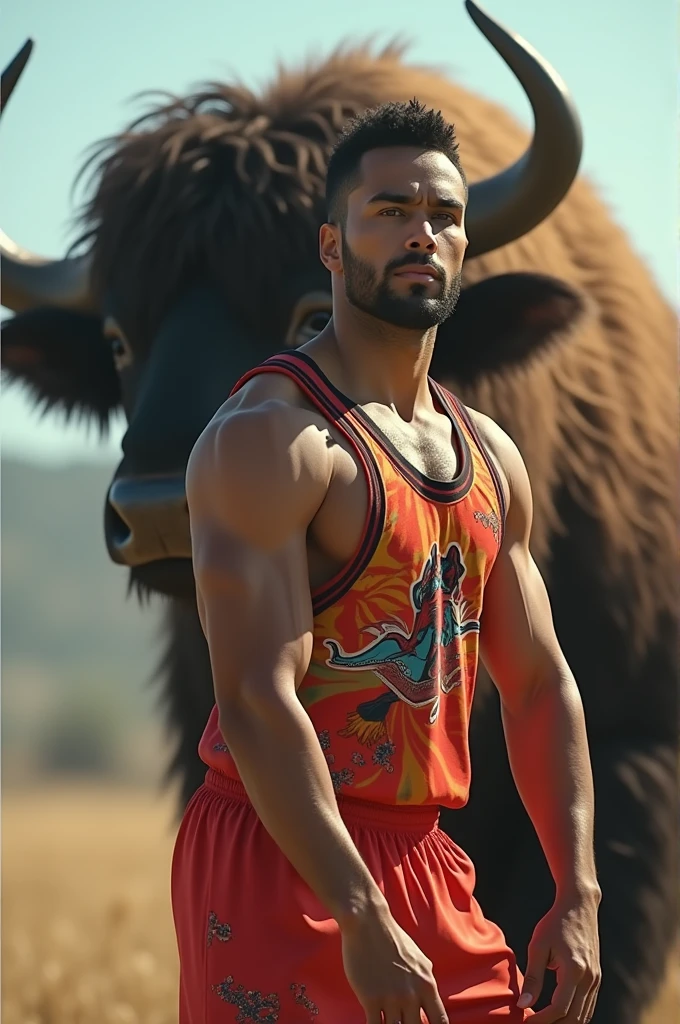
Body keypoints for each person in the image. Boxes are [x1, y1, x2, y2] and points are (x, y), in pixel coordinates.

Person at [171, 98, 601, 1024]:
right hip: (277, 851)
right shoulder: (273, 441)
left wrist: (577, 892)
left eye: (442, 216)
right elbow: (254, 697)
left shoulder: (489, 457)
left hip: (425, 856)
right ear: (332, 245)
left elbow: (538, 687)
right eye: (391, 212)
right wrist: (357, 908)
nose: (423, 234)